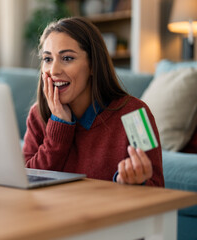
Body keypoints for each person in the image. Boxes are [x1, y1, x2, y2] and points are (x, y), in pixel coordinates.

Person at [22, 17, 164, 187]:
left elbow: (156, 185)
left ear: (92, 65)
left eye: (67, 58)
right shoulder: (37, 115)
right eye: (47, 59)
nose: (53, 70)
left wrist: (133, 183)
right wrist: (59, 126)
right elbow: (26, 180)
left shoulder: (136, 114)